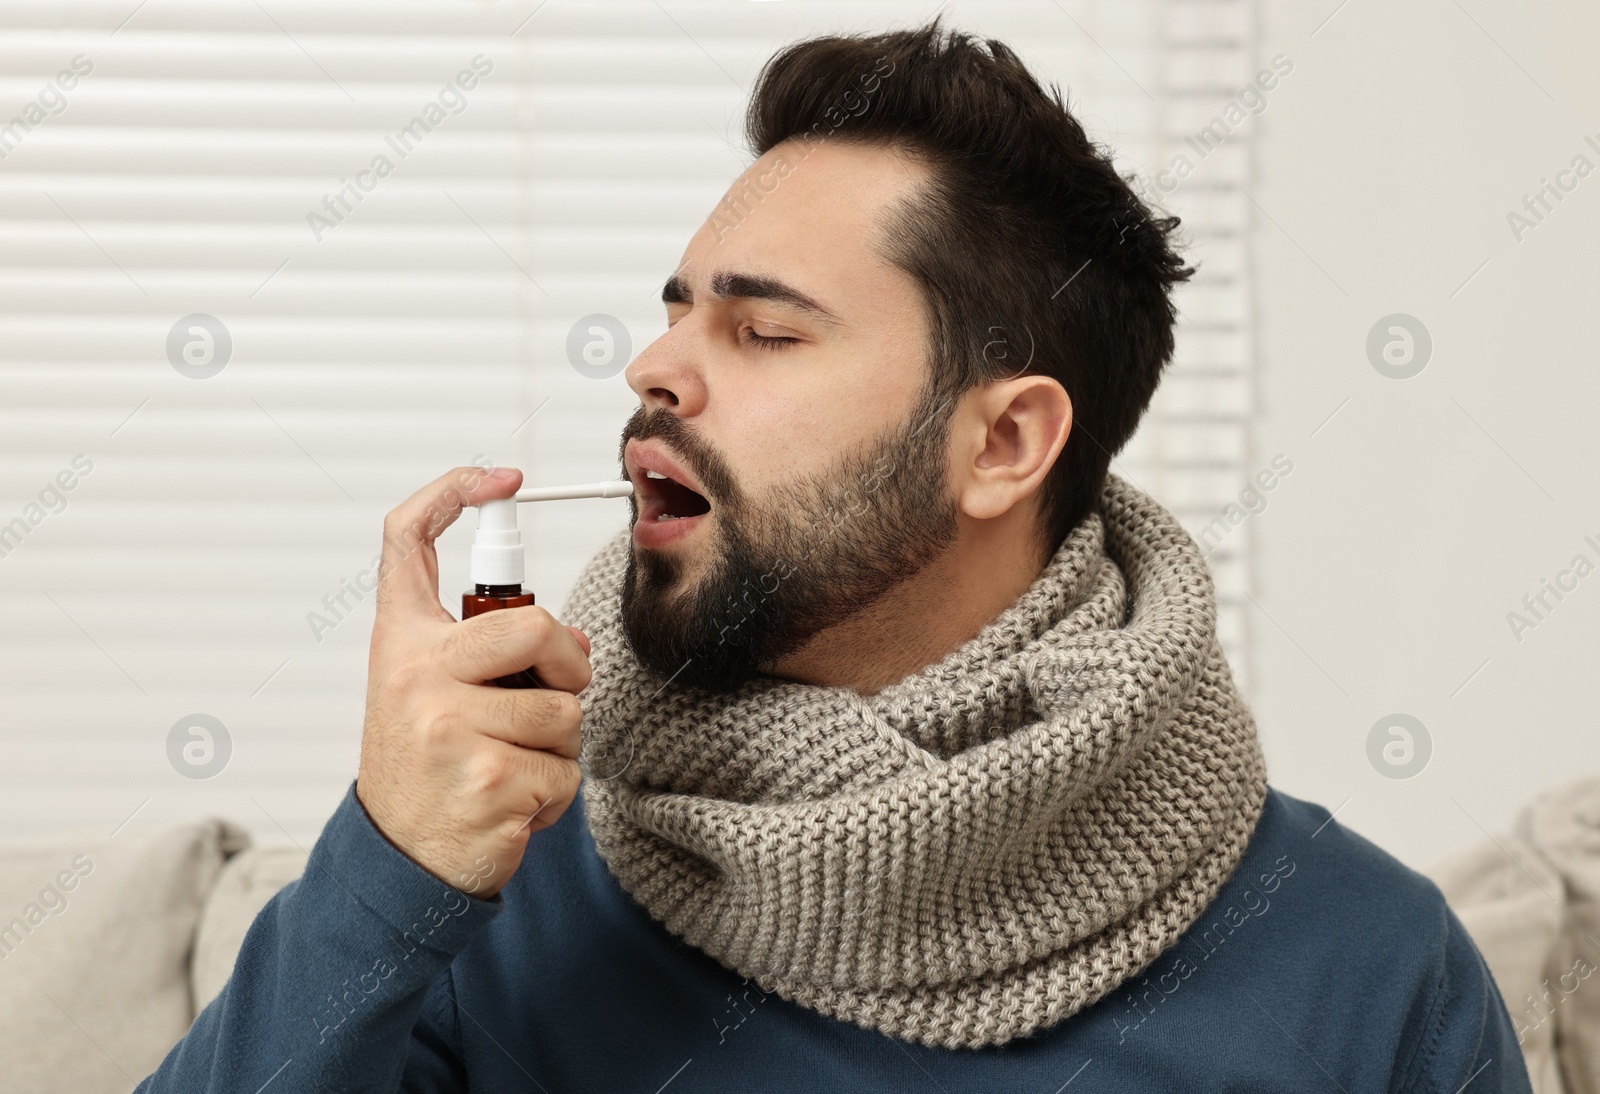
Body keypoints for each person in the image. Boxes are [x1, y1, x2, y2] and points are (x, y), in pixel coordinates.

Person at [137, 19, 1532, 1092]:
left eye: (764, 329)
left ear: (1003, 444)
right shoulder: (487, 888)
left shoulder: (1367, 971)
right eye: (677, 309)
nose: (654, 366)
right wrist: (389, 864)